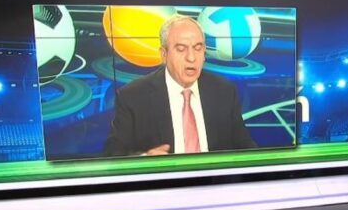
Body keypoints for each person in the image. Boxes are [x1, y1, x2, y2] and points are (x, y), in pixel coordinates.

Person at [104, 15, 257, 157]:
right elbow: (113, 154)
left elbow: (245, 148)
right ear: (164, 54)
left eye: (198, 48)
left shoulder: (224, 91)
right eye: (181, 49)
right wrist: (145, 159)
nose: (191, 58)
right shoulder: (132, 97)